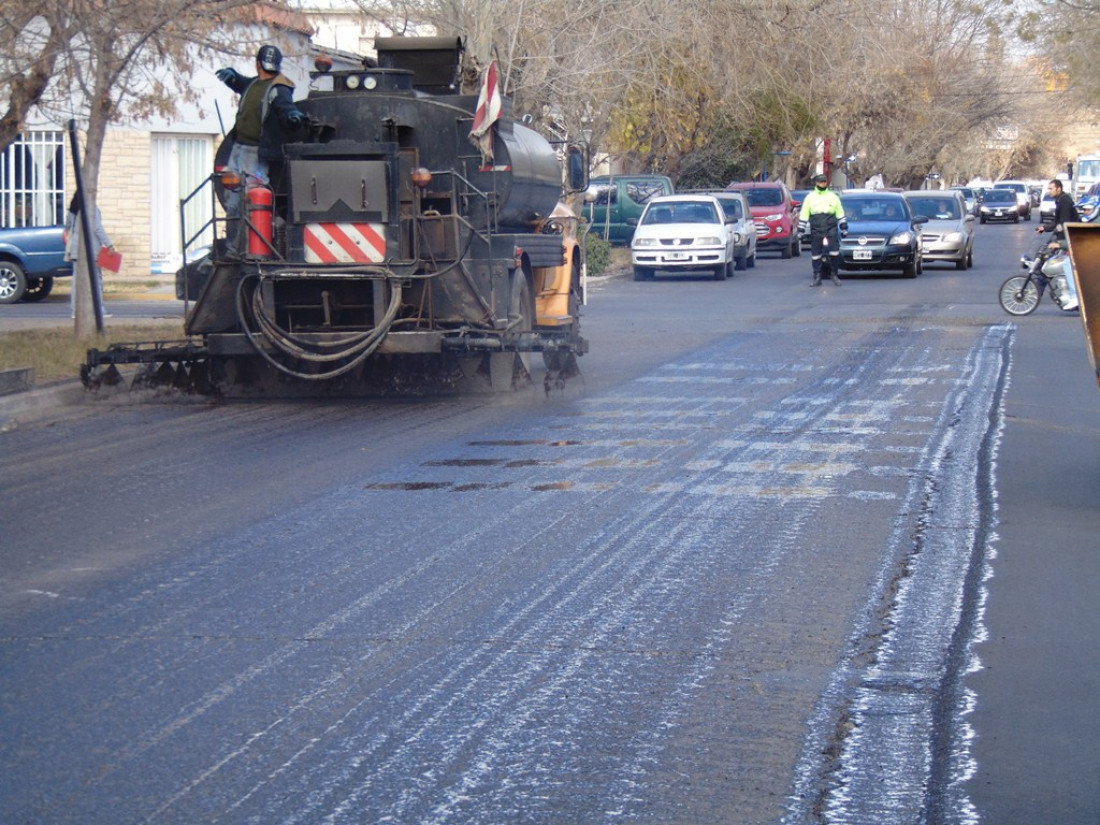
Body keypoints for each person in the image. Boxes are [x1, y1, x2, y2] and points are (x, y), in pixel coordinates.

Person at [215, 45, 306, 255]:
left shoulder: (279, 89)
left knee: (252, 200)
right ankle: (233, 248)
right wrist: (233, 78)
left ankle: (252, 249)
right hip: (238, 149)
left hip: (255, 154)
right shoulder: (255, 84)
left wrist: (293, 117)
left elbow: (285, 107)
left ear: (258, 64)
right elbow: (243, 84)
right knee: (234, 202)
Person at [64, 193, 114, 317]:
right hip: (91, 249)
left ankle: (75, 311)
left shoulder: (73, 210)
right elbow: (97, 228)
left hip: (75, 249)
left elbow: (67, 227)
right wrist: (109, 244)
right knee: (96, 280)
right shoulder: (93, 209)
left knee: (77, 282)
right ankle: (99, 310)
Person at [1037, 179, 1081, 311]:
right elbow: (1058, 222)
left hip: (1070, 240)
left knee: (1062, 264)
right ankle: (1038, 292)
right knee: (1047, 261)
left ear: (1058, 189)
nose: (1049, 191)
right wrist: (1045, 228)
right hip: (1065, 239)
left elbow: (1065, 224)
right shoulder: (1060, 200)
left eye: (1051, 188)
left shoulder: (1065, 201)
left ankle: (1073, 296)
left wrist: (1059, 244)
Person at [798, 173, 847, 286]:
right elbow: (804, 213)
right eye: (820, 182)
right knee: (816, 254)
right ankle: (817, 277)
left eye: (824, 182)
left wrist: (844, 227)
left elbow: (840, 212)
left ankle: (834, 274)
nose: (822, 184)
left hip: (831, 227)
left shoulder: (833, 196)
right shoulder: (810, 197)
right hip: (816, 227)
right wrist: (801, 230)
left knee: (834, 252)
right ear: (816, 183)